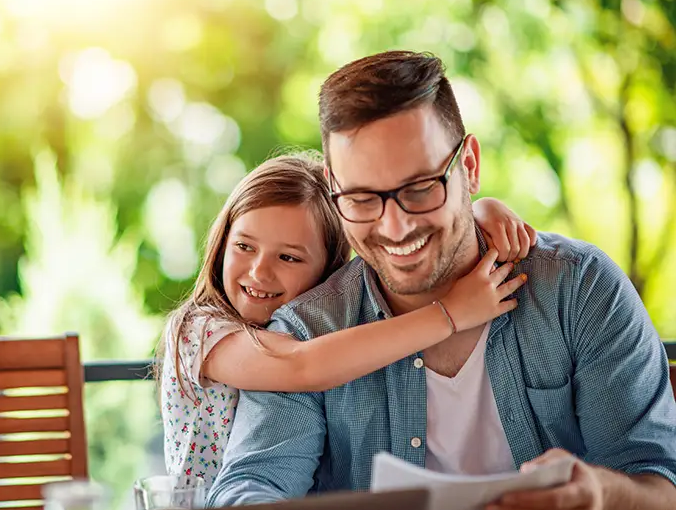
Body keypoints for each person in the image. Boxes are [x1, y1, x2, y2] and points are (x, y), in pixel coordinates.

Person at [206, 52, 676, 510]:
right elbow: (249, 492)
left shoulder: (580, 291)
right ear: (335, 193)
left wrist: (601, 499)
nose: (396, 225)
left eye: (419, 188)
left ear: (469, 166)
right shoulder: (306, 331)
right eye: (362, 198)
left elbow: (664, 507)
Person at [158, 152, 533, 490]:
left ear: (330, 270)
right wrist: (450, 313)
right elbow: (302, 365)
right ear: (223, 242)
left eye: (288, 258)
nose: (258, 271)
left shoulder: (327, 323)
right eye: (244, 246)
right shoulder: (198, 330)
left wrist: (473, 217)